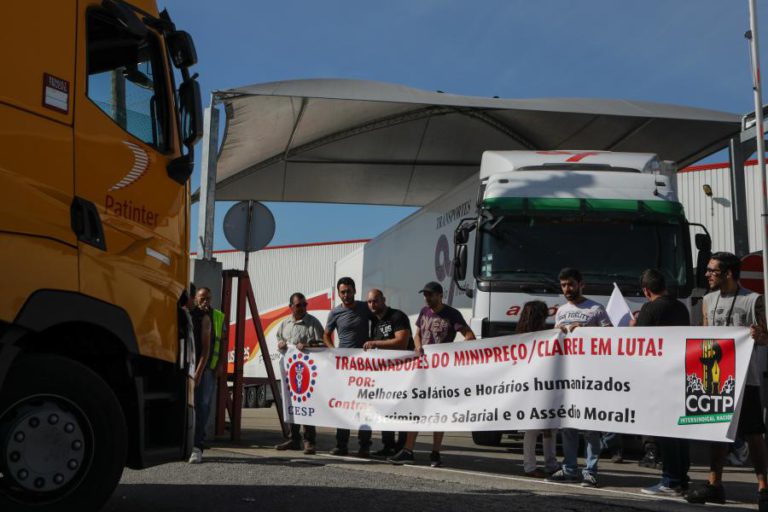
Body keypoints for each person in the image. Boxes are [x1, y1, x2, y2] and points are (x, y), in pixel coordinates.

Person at [685, 252, 768, 509]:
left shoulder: (753, 300)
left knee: (754, 434)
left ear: (728, 273)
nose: (707, 274)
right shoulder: (708, 300)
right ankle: (714, 484)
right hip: (715, 376)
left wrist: (758, 334)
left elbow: (765, 337)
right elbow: (704, 334)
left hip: (746, 378)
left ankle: (764, 488)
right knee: (717, 430)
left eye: (712, 270)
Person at [389, 281, 475, 467]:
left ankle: (435, 452)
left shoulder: (452, 314)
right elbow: (417, 334)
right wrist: (418, 346)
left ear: (440, 295)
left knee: (438, 411)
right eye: (425, 295)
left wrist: (452, 352)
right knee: (416, 408)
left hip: (442, 371)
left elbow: (470, 336)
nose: (426, 298)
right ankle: (408, 450)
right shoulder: (424, 312)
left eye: (430, 295)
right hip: (423, 369)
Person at [547, 268, 611, 488]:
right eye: (563, 285)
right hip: (567, 376)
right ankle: (569, 469)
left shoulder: (596, 308)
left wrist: (584, 330)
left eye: (571, 284)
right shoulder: (561, 311)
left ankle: (590, 471)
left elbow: (611, 336)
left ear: (581, 284)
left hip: (590, 377)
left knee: (591, 428)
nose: (567, 289)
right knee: (568, 426)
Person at [629, 269, 691, 496]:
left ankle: (671, 481)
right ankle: (681, 478)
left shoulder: (650, 308)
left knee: (666, 430)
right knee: (679, 430)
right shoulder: (681, 307)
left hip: (659, 376)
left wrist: (633, 326)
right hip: (680, 373)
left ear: (646, 291)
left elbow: (640, 341)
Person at [323, 277, 373, 457]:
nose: (346, 295)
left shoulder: (365, 308)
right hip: (344, 367)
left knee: (364, 406)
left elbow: (379, 321)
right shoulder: (334, 313)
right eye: (342, 292)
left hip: (364, 365)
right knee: (344, 405)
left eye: (348, 291)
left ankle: (364, 446)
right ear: (338, 293)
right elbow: (326, 335)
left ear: (354, 291)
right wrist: (333, 350)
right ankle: (341, 444)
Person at [363, 288, 412, 457]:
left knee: (402, 409)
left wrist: (375, 343)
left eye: (375, 301)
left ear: (383, 300)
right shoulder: (373, 321)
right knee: (385, 408)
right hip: (384, 374)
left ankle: (402, 446)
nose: (372, 304)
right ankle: (388, 445)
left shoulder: (397, 316)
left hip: (403, 372)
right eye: (369, 302)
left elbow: (402, 342)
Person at [275, 292, 325, 455]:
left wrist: (308, 346)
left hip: (307, 373)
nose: (303, 307)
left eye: (305, 304)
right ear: (290, 307)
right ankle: (293, 439)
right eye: (299, 305)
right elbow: (280, 340)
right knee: (291, 404)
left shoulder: (313, 323)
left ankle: (309, 441)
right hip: (290, 373)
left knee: (306, 405)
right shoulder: (284, 324)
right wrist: (281, 344)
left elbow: (323, 344)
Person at [516, 301, 559, 478]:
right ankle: (531, 466)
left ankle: (549, 463)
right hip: (533, 387)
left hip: (542, 385)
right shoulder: (533, 337)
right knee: (535, 427)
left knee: (548, 425)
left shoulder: (523, 336)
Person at [189, 286, 215, 464]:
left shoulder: (207, 318)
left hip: (203, 369)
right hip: (188, 366)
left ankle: (197, 446)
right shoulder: (189, 315)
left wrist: (198, 374)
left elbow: (206, 350)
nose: (205, 301)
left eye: (208, 298)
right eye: (202, 298)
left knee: (202, 406)